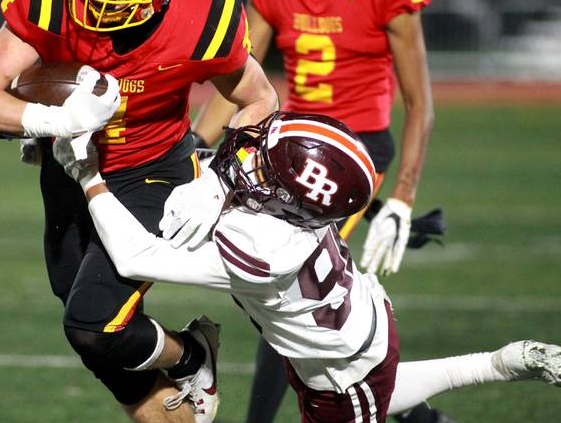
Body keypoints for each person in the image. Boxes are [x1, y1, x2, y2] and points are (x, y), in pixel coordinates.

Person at [0, 0, 278, 420]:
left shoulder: (200, 15)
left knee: (93, 324)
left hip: (153, 174)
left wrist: (216, 177)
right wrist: (51, 121)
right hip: (71, 173)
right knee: (97, 342)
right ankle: (183, 385)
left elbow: (260, 98)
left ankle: (192, 353)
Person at [54, 110, 561, 422]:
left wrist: (88, 174)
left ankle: (497, 364)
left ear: (292, 201)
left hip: (340, 370)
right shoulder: (296, 210)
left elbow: (135, 255)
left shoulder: (264, 247)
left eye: (266, 166)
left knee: (370, 400)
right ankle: (500, 362)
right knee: (380, 393)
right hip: (359, 328)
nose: (250, 160)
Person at [185, 0, 445, 420]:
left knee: (287, 295)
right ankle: (419, 416)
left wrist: (400, 198)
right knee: (268, 295)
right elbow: (241, 77)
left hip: (354, 153)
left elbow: (420, 104)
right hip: (284, 145)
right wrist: (194, 149)